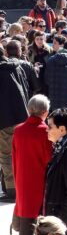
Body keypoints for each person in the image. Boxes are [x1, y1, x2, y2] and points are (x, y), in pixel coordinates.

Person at [12, 96, 52, 235]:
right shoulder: (46, 132)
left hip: (22, 181)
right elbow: (49, 159)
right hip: (41, 182)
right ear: (45, 112)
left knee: (25, 226)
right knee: (44, 225)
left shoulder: (19, 130)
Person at [0, 44, 29, 202]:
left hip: (5, 119)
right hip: (21, 115)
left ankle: (11, 190)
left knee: (6, 155)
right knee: (19, 153)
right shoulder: (17, 67)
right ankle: (16, 187)